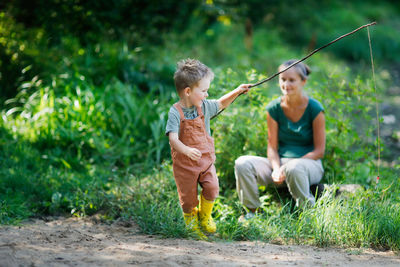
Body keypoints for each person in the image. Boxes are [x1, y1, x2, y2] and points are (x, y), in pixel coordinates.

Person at [166, 58, 251, 238]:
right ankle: (191, 224)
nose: (206, 94)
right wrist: (187, 150)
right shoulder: (175, 112)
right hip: (185, 165)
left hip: (205, 161)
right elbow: (173, 139)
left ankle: (205, 216)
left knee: (212, 187)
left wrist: (237, 91)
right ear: (188, 91)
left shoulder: (204, 106)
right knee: (188, 199)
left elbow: (221, 103)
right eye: (203, 91)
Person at [235, 60, 325, 220]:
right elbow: (272, 147)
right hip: (280, 164)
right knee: (242, 163)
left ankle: (309, 215)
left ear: (303, 81)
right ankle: (252, 212)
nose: (286, 84)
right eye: (283, 79)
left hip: (308, 164)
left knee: (294, 168)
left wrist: (289, 166)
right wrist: (277, 169)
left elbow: (319, 151)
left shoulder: (315, 109)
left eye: (291, 80)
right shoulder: (274, 108)